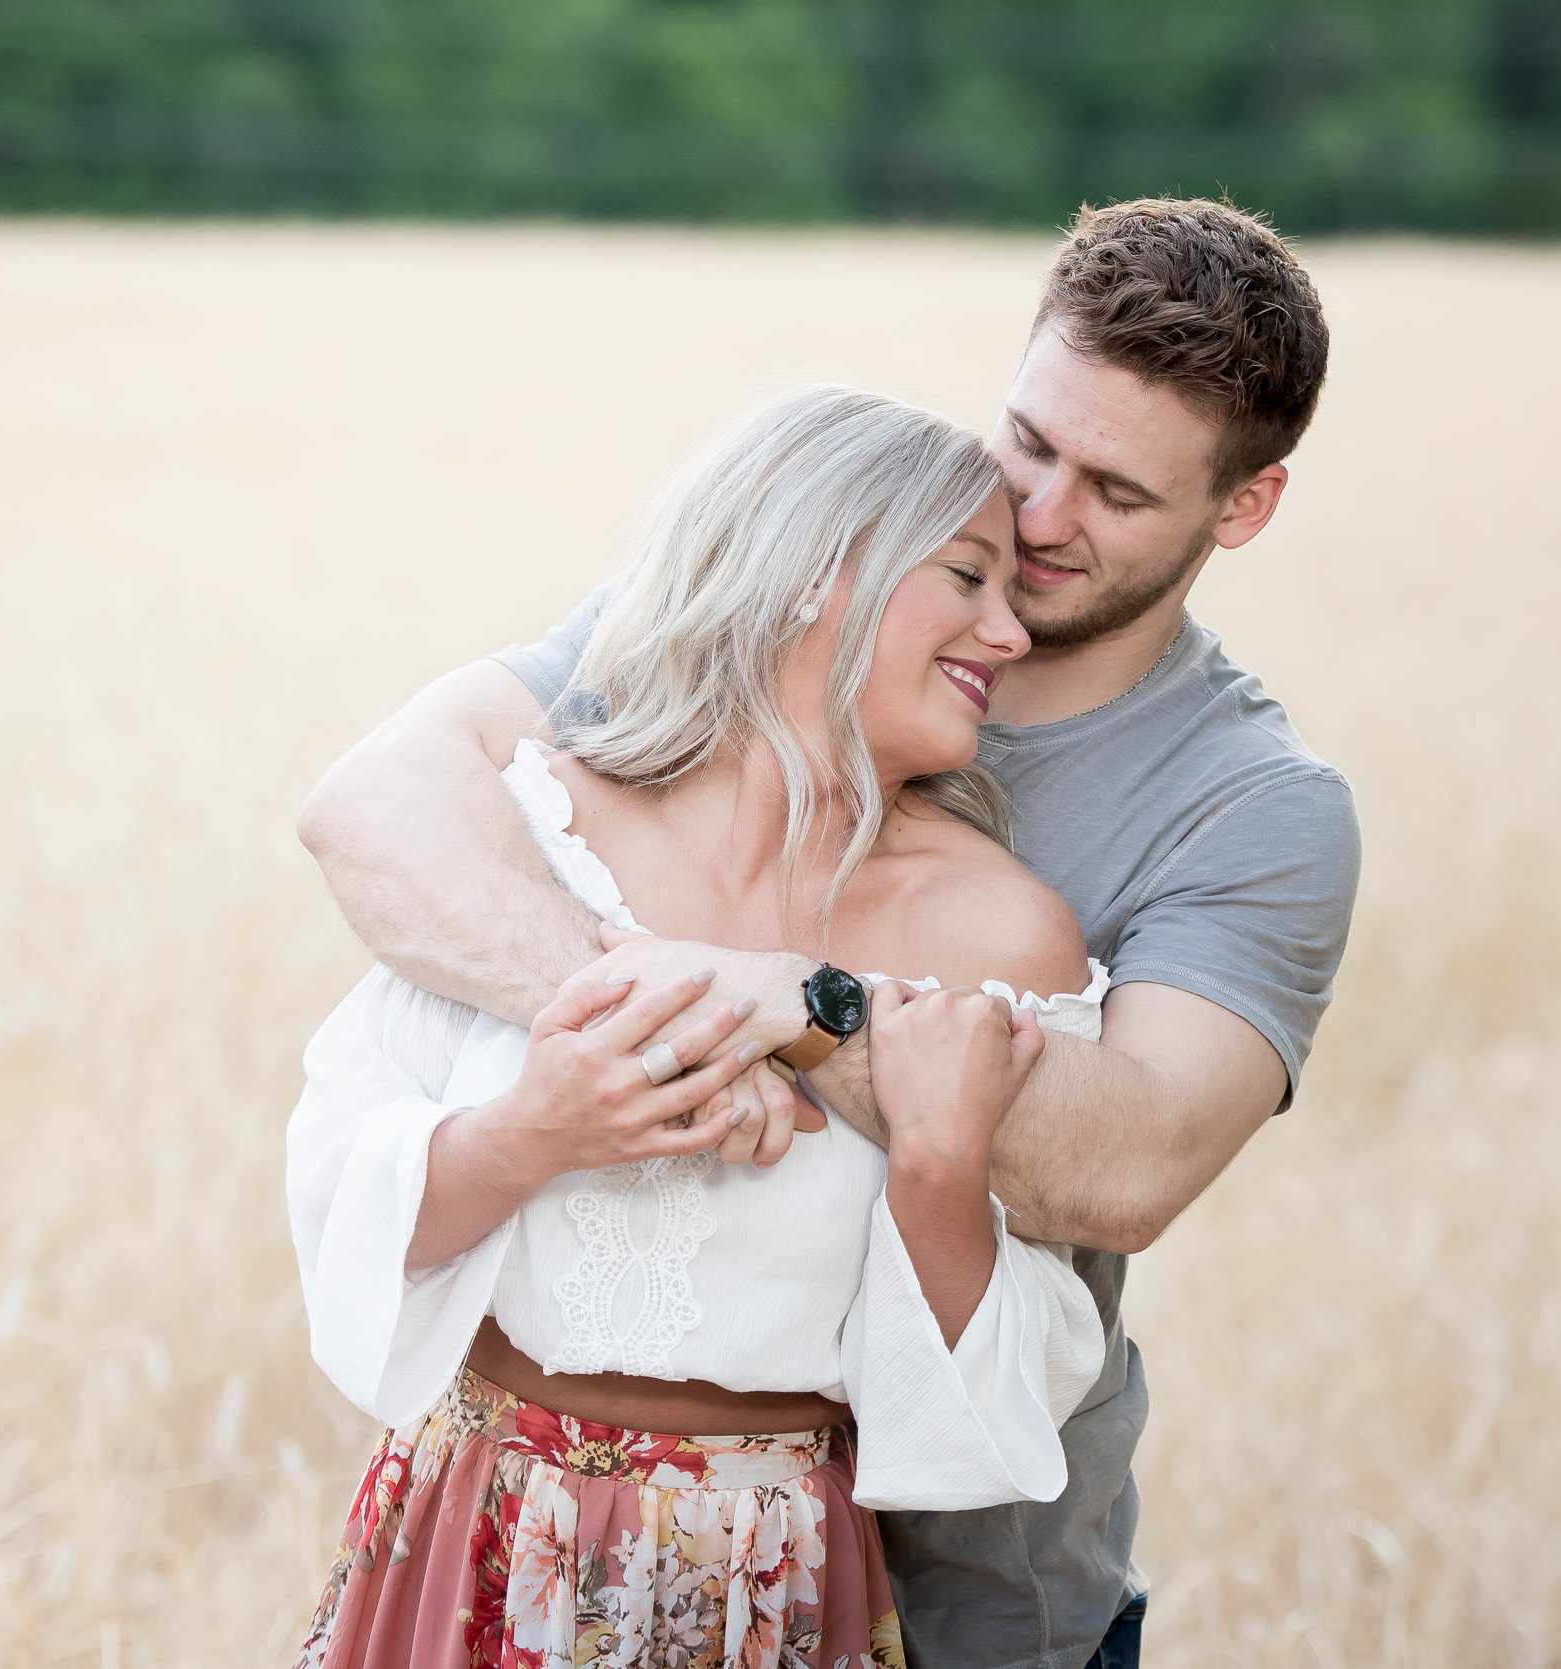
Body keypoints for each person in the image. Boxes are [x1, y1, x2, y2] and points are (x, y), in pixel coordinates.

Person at [298, 198, 1362, 1669]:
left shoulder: (1250, 809)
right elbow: (378, 806)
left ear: (1241, 509)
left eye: (1115, 492)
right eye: (1030, 446)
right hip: (510, 1534)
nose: (1043, 520)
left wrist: (799, 1004)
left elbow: (1125, 1168)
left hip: (982, 1596)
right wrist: (655, 1037)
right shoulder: (720, 634)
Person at [287, 386, 1115, 1668]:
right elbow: (345, 1206)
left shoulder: (1001, 937)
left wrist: (941, 1169)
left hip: (770, 1578)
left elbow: (995, 1394)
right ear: (808, 574)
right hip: (479, 1535)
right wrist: (536, 1130)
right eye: (966, 577)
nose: (1009, 631)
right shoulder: (534, 828)